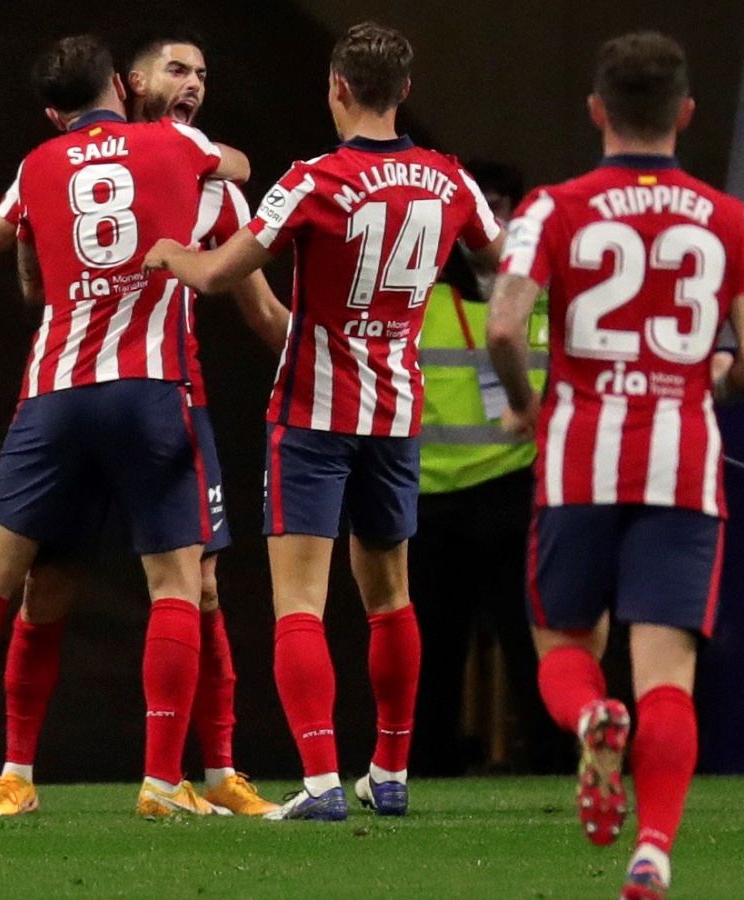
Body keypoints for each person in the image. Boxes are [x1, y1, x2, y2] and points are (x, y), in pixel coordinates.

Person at [0, 33, 252, 818]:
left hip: (55, 395)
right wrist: (209, 154)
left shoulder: (37, 166)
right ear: (120, 82)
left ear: (49, 110)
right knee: (176, 584)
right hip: (148, 389)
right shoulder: (176, 145)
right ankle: (162, 781)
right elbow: (235, 169)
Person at [145, 21, 504, 822]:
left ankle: (319, 782)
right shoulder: (449, 181)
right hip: (396, 413)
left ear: (337, 88)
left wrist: (171, 252)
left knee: (300, 604)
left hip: (312, 414)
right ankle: (391, 771)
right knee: (391, 599)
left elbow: (214, 272)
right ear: (403, 92)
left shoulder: (313, 181)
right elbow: (503, 260)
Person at [486, 31, 744, 899]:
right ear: (685, 115)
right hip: (681, 464)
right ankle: (653, 849)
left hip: (580, 456)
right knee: (668, 676)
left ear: (596, 112)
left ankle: (589, 717)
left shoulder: (552, 208)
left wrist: (531, 401)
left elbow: (505, 325)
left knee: (563, 646)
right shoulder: (731, 219)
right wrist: (706, 377)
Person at [408, 160, 554, 777]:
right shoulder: (418, 296)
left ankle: (553, 759)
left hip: (516, 492)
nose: (491, 223)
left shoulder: (545, 298)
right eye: (480, 209)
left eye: (502, 207)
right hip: (430, 500)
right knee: (432, 652)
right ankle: (424, 768)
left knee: (533, 642)